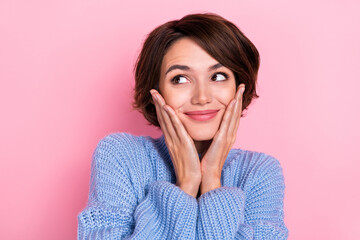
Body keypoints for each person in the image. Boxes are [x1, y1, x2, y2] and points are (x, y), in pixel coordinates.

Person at [77, 12, 288, 239]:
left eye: (218, 76)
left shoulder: (259, 172)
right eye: (180, 79)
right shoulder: (121, 155)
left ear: (239, 87)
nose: (202, 97)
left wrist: (212, 179)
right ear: (156, 91)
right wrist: (186, 182)